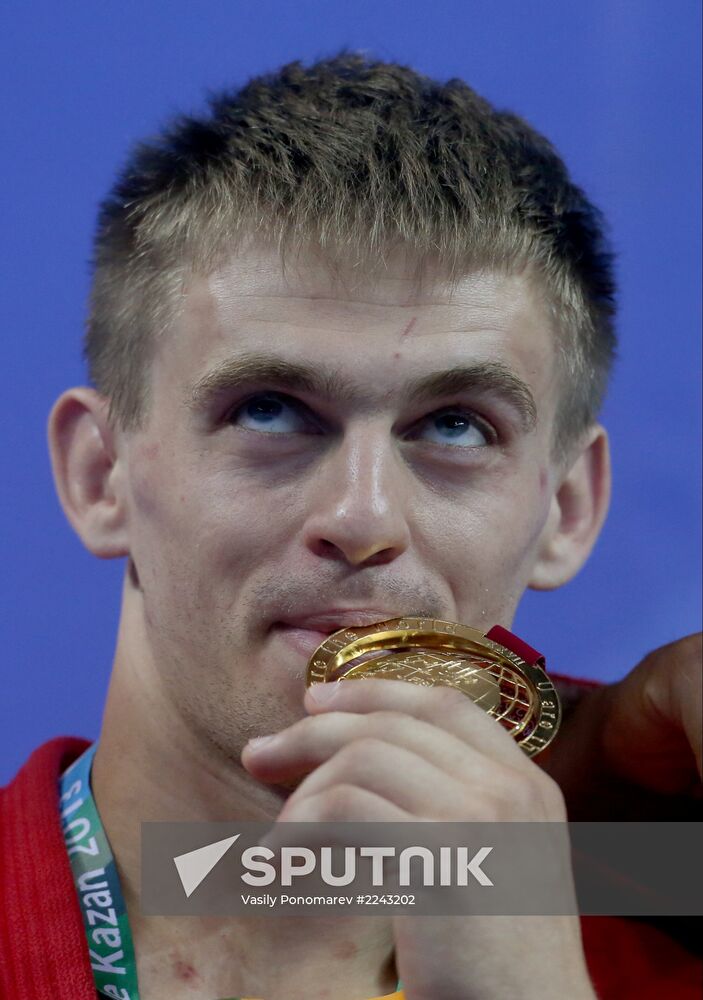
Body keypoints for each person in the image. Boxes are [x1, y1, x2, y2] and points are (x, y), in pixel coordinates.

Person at [1, 53, 700, 1000]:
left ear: (566, 507)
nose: (363, 516)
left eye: (455, 427)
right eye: (270, 411)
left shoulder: (663, 911)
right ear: (102, 475)